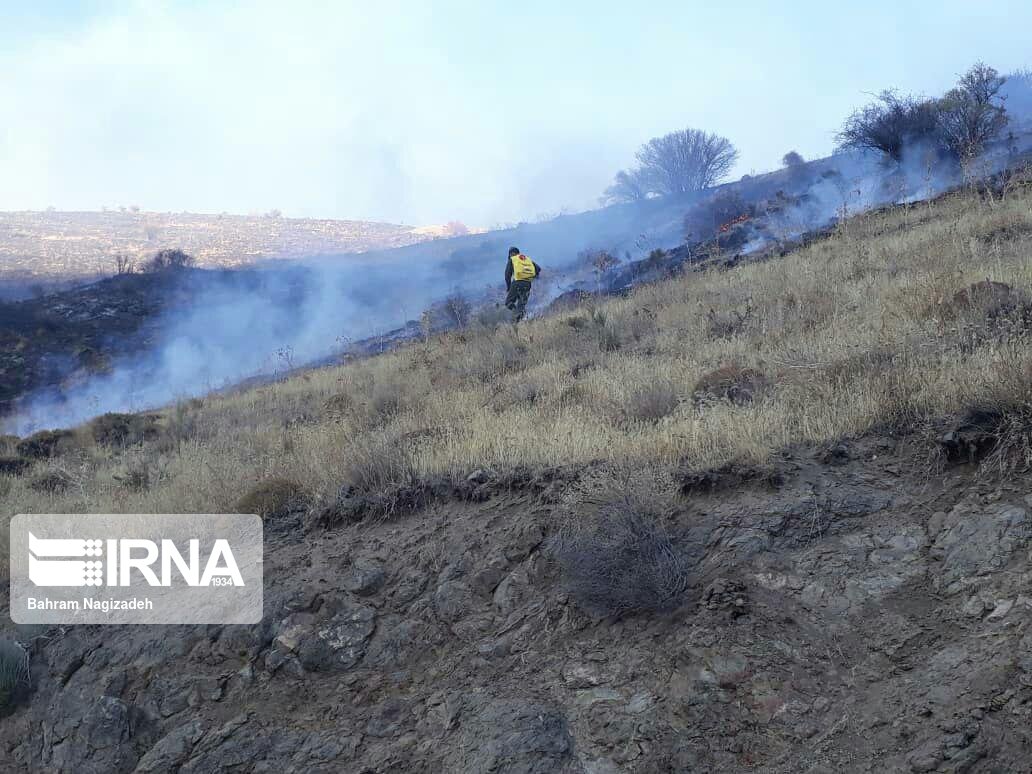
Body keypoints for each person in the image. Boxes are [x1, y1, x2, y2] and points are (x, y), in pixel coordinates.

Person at [504, 246, 542, 323]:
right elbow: (538, 268)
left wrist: (508, 287)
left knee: (508, 302)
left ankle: (516, 313)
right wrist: (534, 277)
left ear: (510, 254)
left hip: (517, 283)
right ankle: (519, 320)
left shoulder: (513, 259)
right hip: (527, 284)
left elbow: (507, 275)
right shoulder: (526, 259)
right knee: (521, 305)